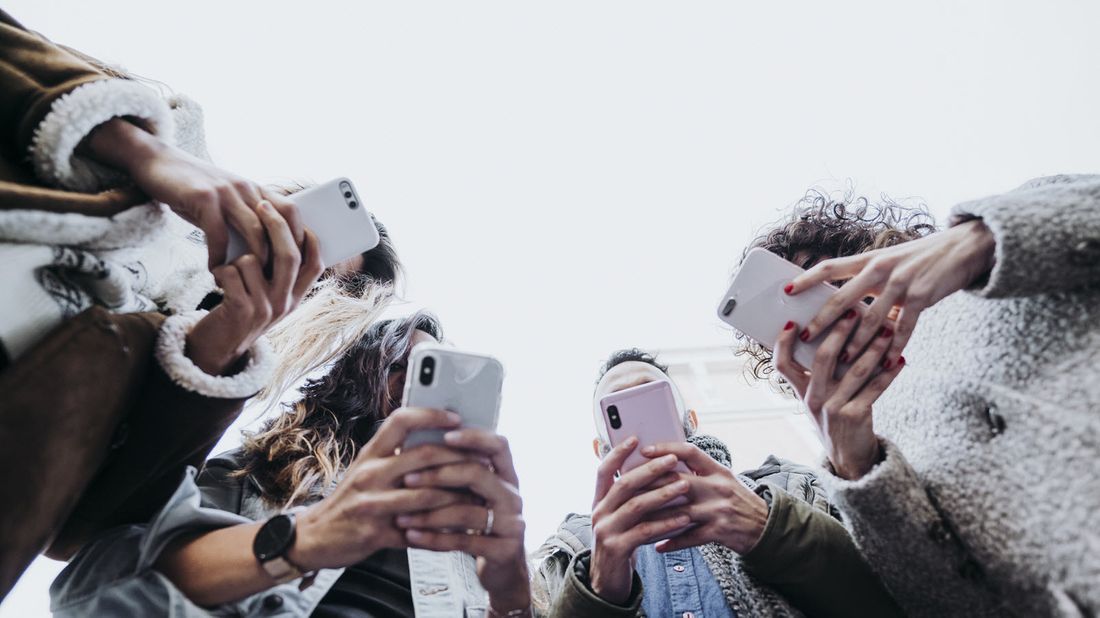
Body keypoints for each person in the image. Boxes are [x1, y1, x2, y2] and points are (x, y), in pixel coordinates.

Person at [739, 178, 1100, 616]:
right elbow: (948, 603)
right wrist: (859, 470)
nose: (824, 311)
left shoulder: (995, 261)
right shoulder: (870, 442)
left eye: (822, 276)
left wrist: (985, 239)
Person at [50, 312, 534, 618]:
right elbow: (94, 590)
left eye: (432, 374)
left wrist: (513, 604)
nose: (412, 389)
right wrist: (308, 537)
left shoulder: (472, 536)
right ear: (360, 377)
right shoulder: (258, 470)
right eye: (399, 367)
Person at [530, 348, 901, 617]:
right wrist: (598, 591)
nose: (634, 412)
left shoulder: (790, 487)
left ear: (690, 417)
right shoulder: (572, 550)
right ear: (601, 448)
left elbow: (893, 599)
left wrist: (767, 528)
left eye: (647, 393)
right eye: (616, 410)